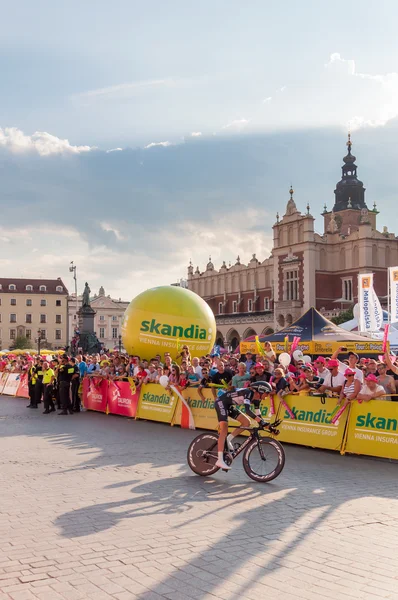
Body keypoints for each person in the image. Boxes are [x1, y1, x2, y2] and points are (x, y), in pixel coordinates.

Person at [214, 381, 273, 470]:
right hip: (221, 403)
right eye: (267, 393)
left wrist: (267, 425)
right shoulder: (248, 393)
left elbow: (258, 416)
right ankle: (219, 460)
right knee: (224, 429)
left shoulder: (257, 400)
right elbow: (247, 411)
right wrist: (261, 422)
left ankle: (228, 439)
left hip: (229, 405)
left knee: (246, 423)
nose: (267, 396)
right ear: (261, 391)